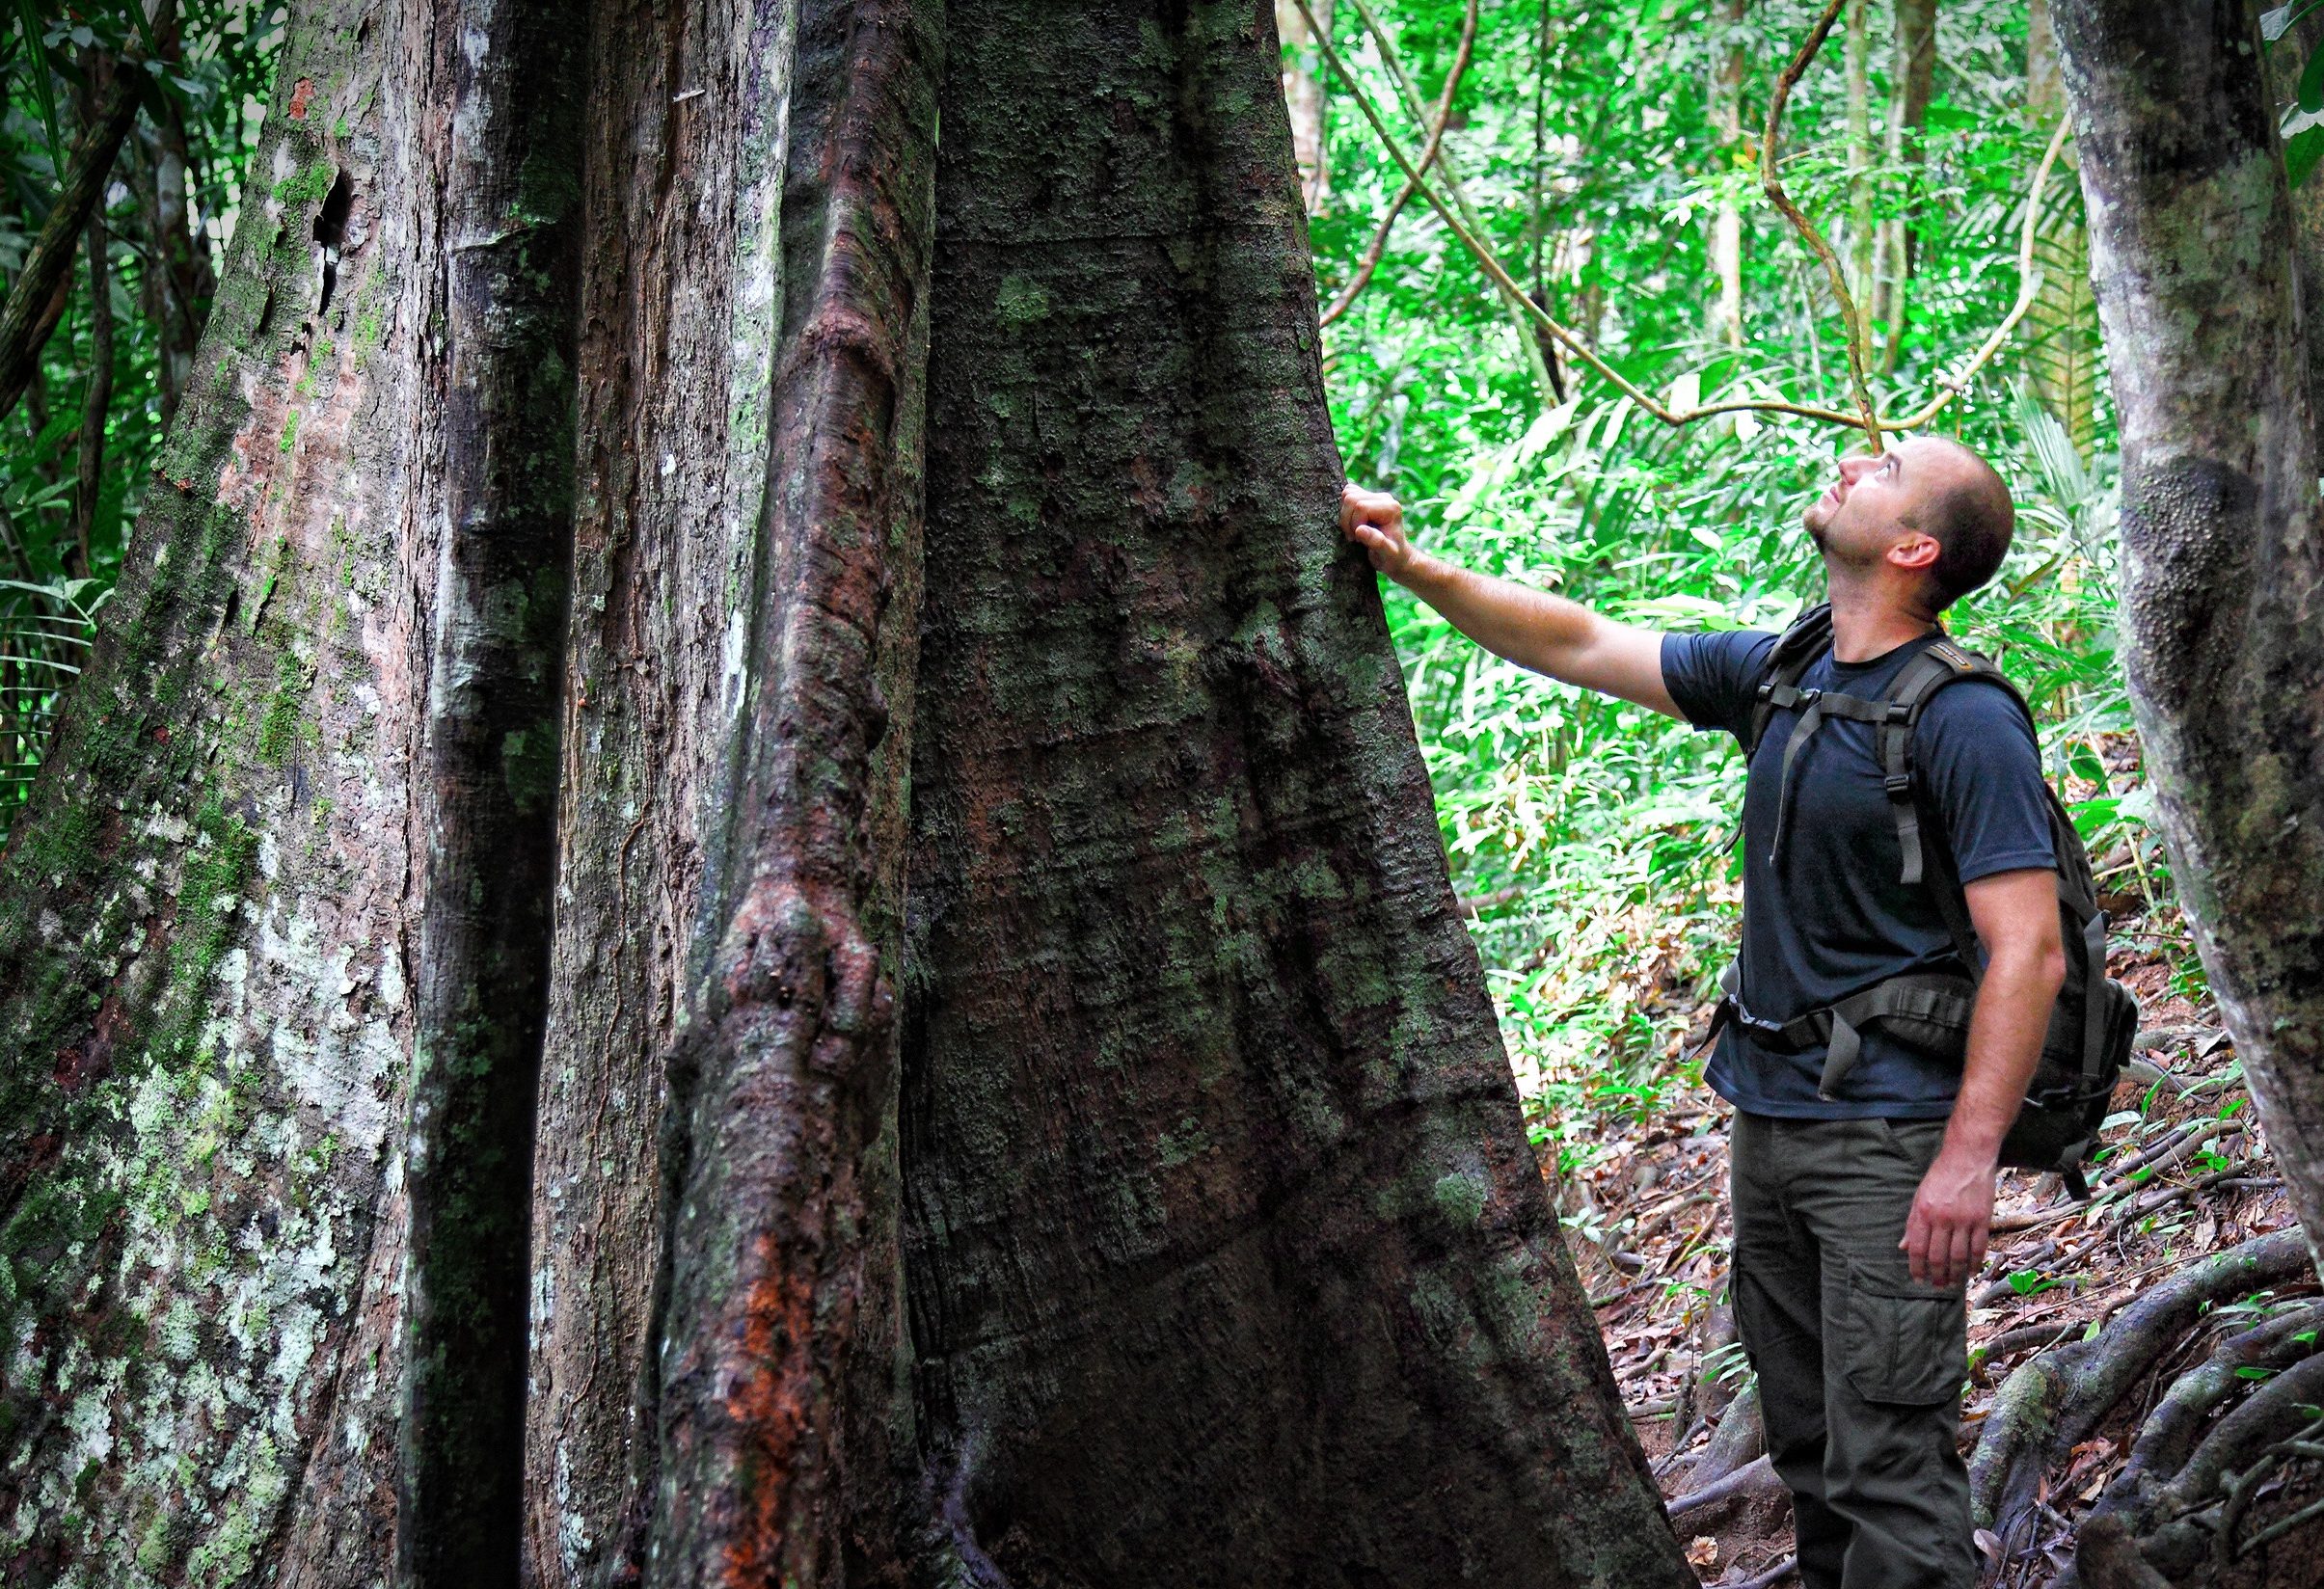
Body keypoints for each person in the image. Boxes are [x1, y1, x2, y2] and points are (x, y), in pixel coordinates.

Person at [1340, 436, 2065, 1589]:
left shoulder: (1962, 719)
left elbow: (2026, 948)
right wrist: (1412, 567)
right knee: (1812, 1449)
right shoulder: (1788, 668)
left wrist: (1968, 1156)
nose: (1848, 463)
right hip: (1770, 1118)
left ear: (1914, 547)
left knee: (1889, 1461)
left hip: (1889, 1141)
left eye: (1882, 469)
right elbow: (1577, 640)